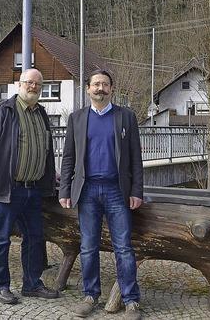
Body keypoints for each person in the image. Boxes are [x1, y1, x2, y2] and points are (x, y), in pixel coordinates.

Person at [59, 69, 143, 319]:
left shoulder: (126, 117)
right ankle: (90, 295)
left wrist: (137, 190)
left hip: (117, 190)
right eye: (96, 84)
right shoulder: (77, 118)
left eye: (105, 84)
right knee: (87, 246)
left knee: (124, 248)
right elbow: (69, 158)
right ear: (88, 89)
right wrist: (65, 189)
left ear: (111, 89)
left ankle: (131, 301)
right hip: (87, 191)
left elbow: (136, 158)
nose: (100, 88)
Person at [0, 68, 60, 305]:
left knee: (35, 237)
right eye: (29, 82)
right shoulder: (3, 110)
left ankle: (32, 284)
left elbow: (42, 148)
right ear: (19, 84)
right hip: (7, 187)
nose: (33, 86)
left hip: (33, 189)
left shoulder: (42, 113)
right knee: (2, 238)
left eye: (38, 84)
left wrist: (50, 172)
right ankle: (0, 285)